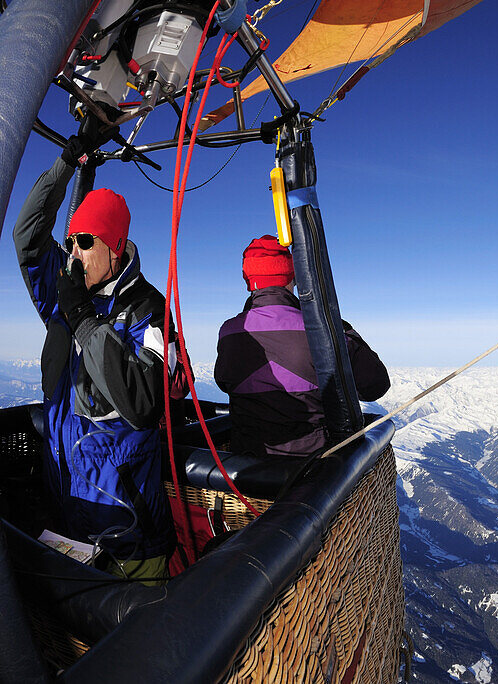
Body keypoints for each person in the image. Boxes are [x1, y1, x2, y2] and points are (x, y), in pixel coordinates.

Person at [13, 144, 178, 584]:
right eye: (70, 243)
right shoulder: (65, 295)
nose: (75, 253)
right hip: (69, 522)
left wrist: (83, 317)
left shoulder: (148, 310)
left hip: (129, 539)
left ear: (116, 247)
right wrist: (68, 160)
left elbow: (143, 402)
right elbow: (26, 237)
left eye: (86, 242)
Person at [215, 235, 389, 456]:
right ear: (293, 276)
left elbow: (224, 383)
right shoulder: (319, 330)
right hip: (314, 465)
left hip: (248, 461)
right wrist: (341, 328)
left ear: (247, 279)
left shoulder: (229, 331)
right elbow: (375, 385)